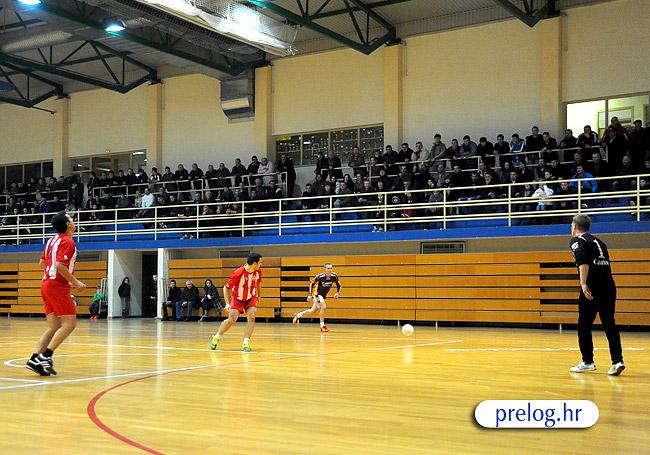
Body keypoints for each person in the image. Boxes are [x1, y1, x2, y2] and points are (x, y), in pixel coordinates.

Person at [25, 212, 86, 376]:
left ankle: (34, 358)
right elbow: (59, 266)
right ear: (68, 225)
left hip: (46, 283)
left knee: (54, 326)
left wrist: (62, 278)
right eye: (71, 219)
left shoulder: (52, 240)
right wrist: (75, 282)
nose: (73, 220)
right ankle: (46, 356)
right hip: (56, 286)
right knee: (70, 324)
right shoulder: (68, 241)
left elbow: (42, 263)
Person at [568, 214, 625, 376]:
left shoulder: (577, 241)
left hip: (593, 286)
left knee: (584, 324)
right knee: (609, 323)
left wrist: (583, 283)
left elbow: (583, 261)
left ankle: (587, 361)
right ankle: (618, 361)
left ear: (574, 226)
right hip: (609, 285)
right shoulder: (599, 242)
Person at [209, 253, 263, 352]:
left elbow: (258, 283)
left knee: (251, 317)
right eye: (260, 262)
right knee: (232, 319)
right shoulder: (239, 273)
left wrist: (259, 296)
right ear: (254, 263)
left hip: (251, 297)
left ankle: (246, 343)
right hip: (237, 298)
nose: (261, 264)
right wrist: (227, 303)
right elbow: (226, 288)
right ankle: (216, 337)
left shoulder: (258, 271)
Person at [292, 263, 341, 332]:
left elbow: (339, 285)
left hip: (323, 296)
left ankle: (298, 315)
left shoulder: (334, 276)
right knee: (323, 306)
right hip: (317, 294)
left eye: (331, 268)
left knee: (312, 311)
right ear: (325, 269)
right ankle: (322, 326)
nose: (330, 270)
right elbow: (311, 284)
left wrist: (337, 292)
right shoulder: (320, 276)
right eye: (328, 268)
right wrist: (309, 294)